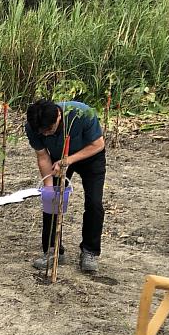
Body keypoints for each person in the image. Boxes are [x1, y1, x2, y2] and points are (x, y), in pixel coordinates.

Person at [25, 99, 105, 273]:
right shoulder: (33, 125)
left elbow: (98, 144)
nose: (45, 135)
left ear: (59, 117)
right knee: (51, 200)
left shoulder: (83, 114)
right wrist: (48, 187)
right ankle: (53, 251)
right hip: (56, 159)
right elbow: (43, 156)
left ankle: (89, 252)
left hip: (90, 156)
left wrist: (68, 160)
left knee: (94, 203)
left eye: (49, 131)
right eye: (42, 133)